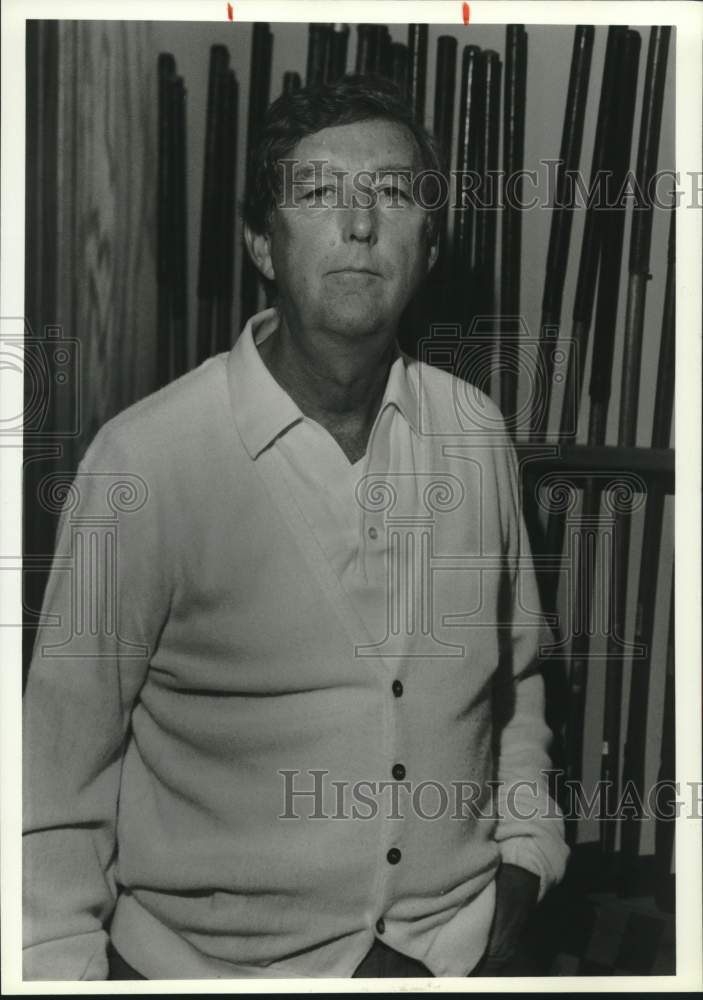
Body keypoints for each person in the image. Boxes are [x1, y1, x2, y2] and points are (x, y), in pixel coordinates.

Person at [23, 74, 569, 981]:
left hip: (452, 949)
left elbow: (515, 682)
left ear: (427, 243)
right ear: (259, 243)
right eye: (317, 194)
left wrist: (527, 849)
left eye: (392, 194)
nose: (358, 225)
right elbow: (53, 783)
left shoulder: (475, 433)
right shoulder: (147, 460)